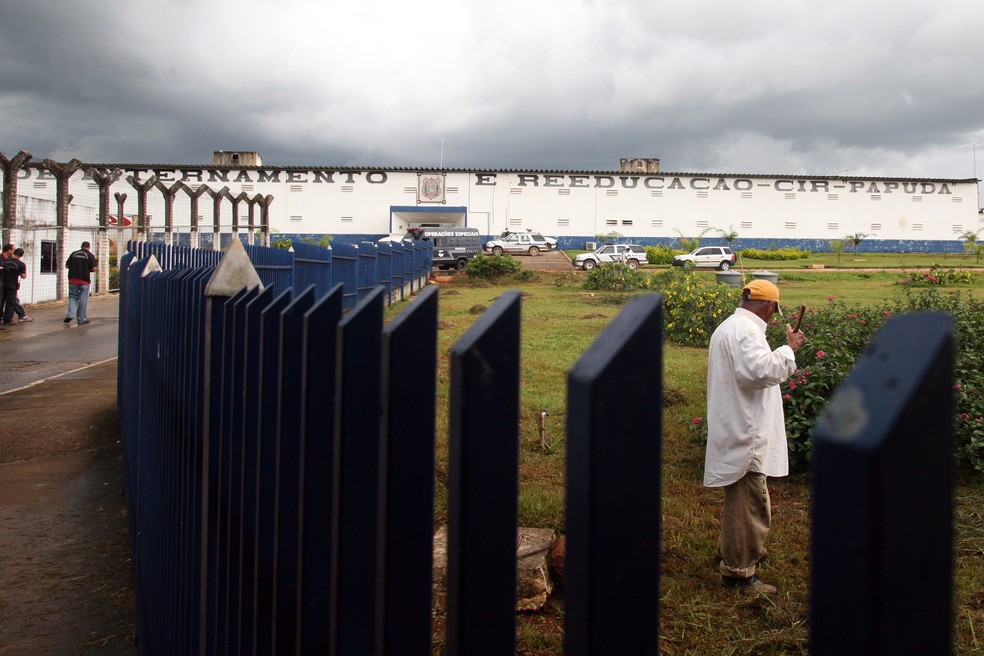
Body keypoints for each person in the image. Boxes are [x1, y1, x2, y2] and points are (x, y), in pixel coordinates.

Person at [703, 279, 805, 595]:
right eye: (775, 310)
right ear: (770, 306)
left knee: (742, 500)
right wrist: (790, 350)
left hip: (735, 425)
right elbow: (759, 372)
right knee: (751, 505)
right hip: (746, 432)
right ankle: (738, 573)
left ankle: (735, 551)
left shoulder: (731, 327)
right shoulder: (746, 332)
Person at [65, 241, 98, 326]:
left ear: (81, 246)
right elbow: (94, 269)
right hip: (84, 280)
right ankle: (81, 318)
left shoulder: (73, 254)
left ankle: (70, 315)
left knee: (72, 297)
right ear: (89, 247)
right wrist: (88, 269)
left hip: (72, 279)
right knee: (83, 299)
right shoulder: (90, 256)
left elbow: (67, 265)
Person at [1, 248, 31, 324]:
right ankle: (7, 320)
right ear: (21, 255)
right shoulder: (21, 264)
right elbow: (23, 276)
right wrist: (21, 274)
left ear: (14, 253)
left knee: (1, 302)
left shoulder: (5, 261)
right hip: (12, 285)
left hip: (3, 283)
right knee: (10, 302)